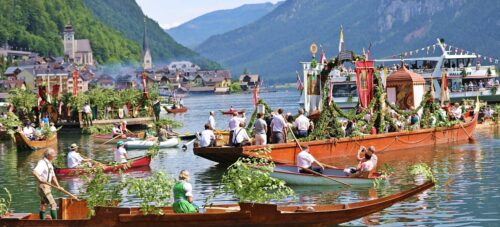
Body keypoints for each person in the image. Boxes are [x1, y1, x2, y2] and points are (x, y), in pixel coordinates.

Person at [32, 148, 62, 220]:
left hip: (47, 186)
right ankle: (55, 223)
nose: (55, 156)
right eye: (53, 155)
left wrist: (58, 186)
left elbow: (53, 176)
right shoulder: (42, 162)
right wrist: (39, 178)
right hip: (43, 186)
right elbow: (34, 172)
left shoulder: (49, 164)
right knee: (53, 204)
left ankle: (42, 222)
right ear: (49, 155)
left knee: (44, 204)